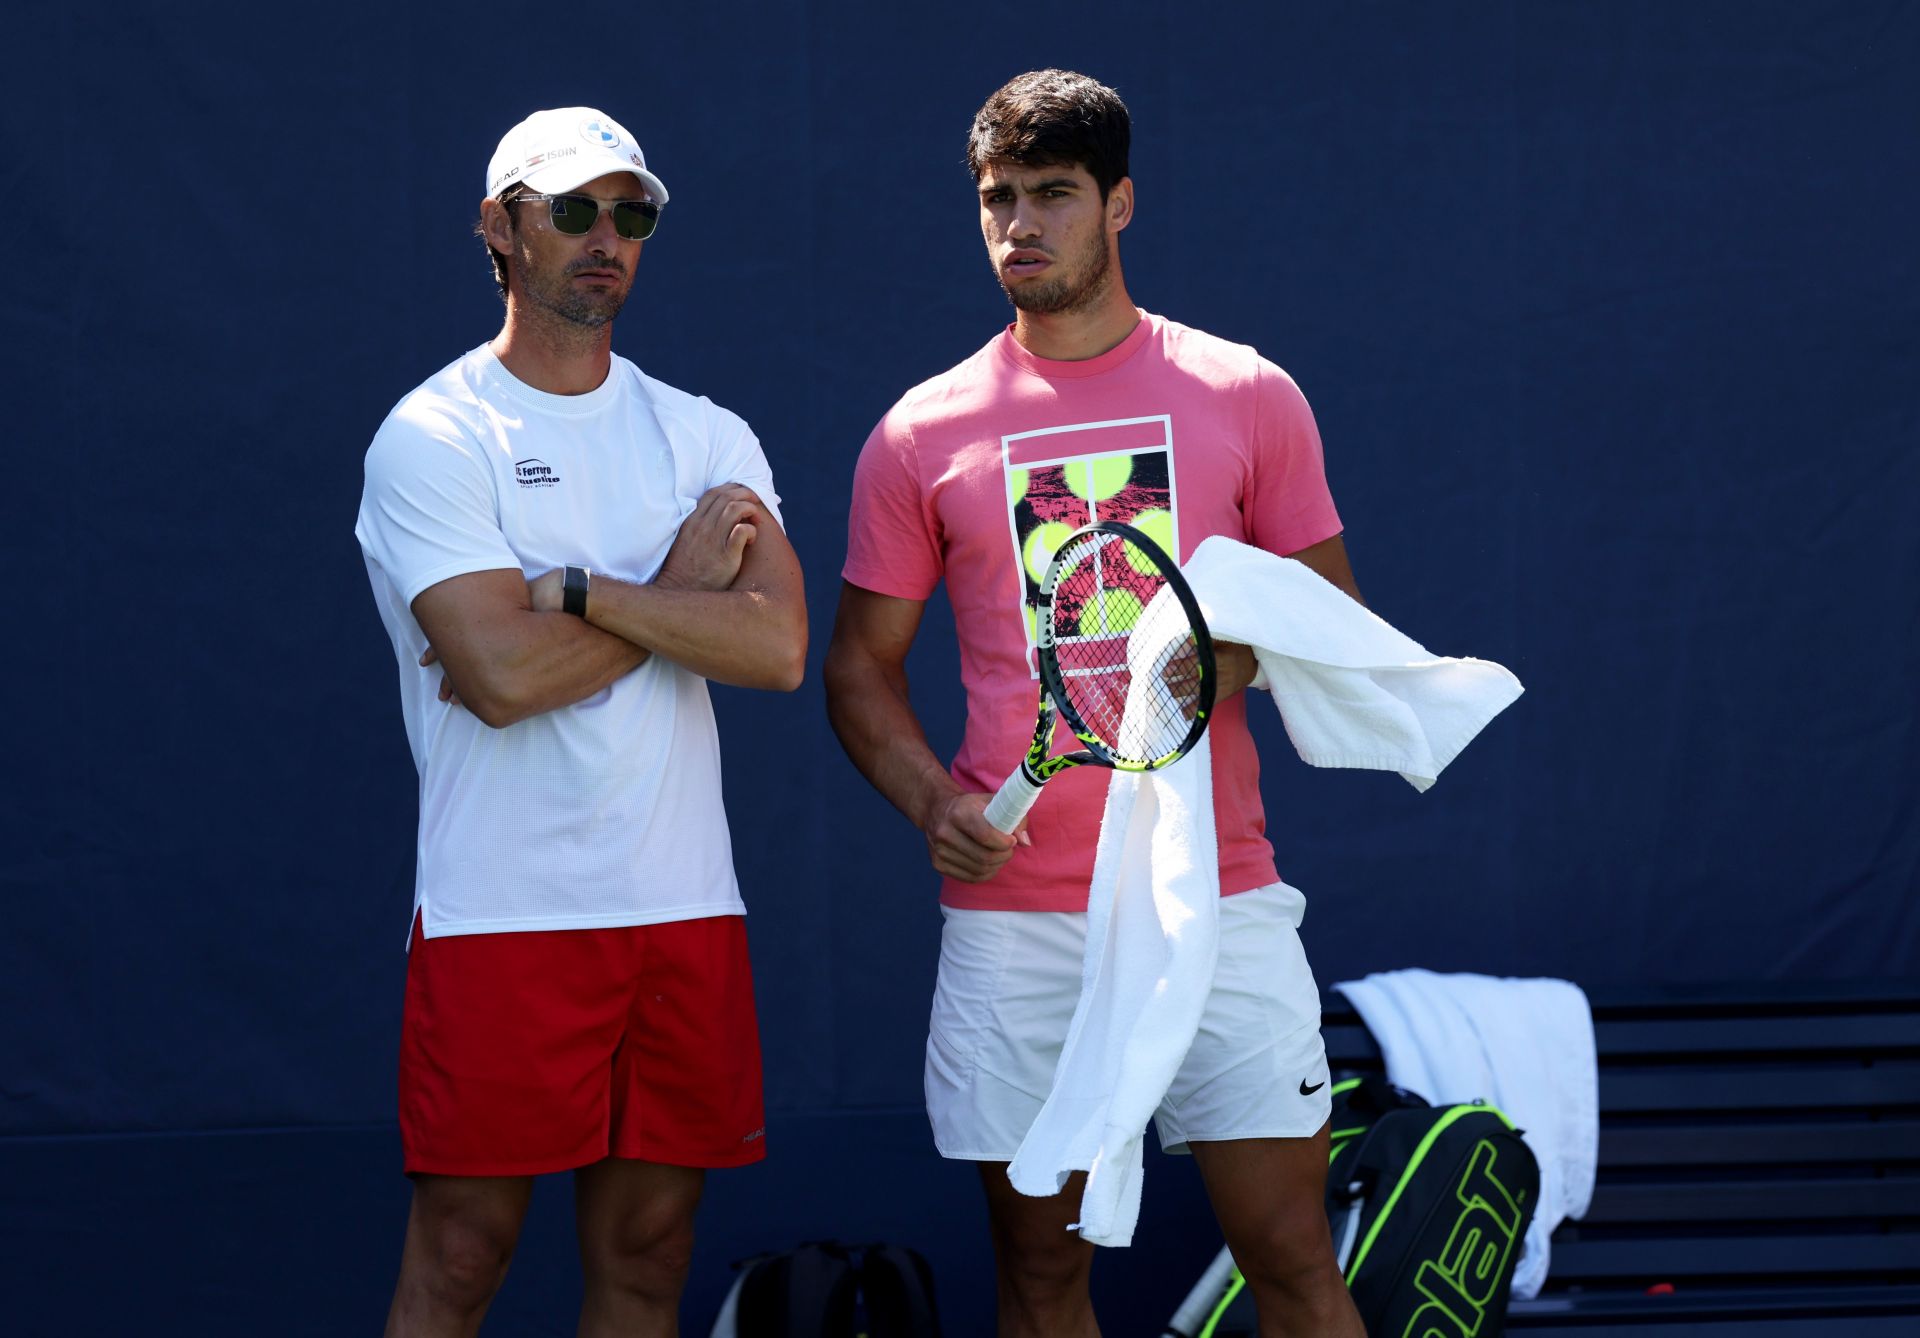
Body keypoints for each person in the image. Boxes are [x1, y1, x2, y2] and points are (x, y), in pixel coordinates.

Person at [822, 71, 1367, 1337]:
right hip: (1017, 920)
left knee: (1292, 1257)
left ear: (1118, 204)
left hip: (1216, 898)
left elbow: (1325, 619)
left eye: (1053, 195)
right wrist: (931, 800)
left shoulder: (1246, 393)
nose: (1022, 224)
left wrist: (1224, 665)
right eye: (998, 199)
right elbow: (857, 666)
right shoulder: (920, 434)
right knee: (1041, 1278)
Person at [354, 106, 805, 1338]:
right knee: (462, 1254)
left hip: (683, 905)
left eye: (631, 214)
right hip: (503, 909)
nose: (605, 237)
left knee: (653, 1252)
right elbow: (498, 683)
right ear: (501, 228)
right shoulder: (436, 435)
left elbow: (773, 647)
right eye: (572, 210)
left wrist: (578, 596)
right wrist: (675, 588)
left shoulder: (705, 431)